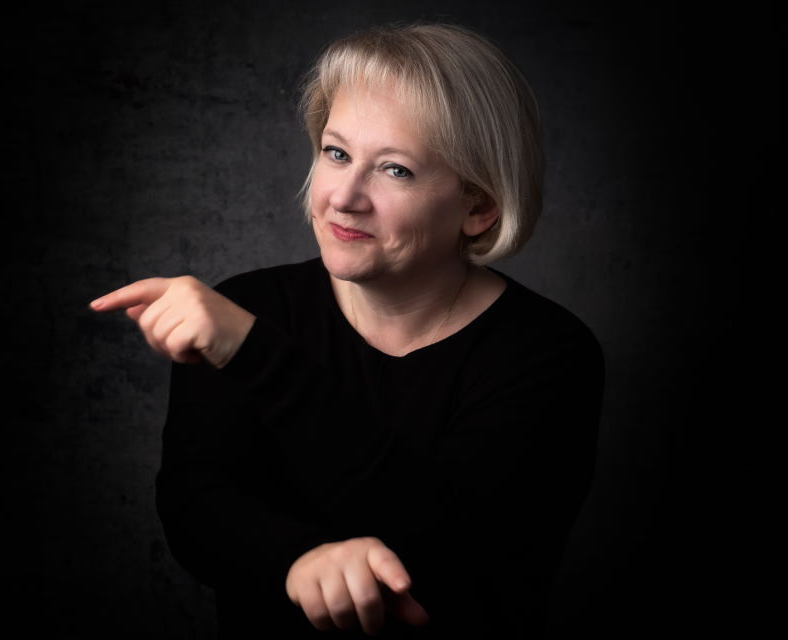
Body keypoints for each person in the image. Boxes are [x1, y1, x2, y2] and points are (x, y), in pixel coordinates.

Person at [90, 23, 604, 638]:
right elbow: (195, 503)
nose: (344, 197)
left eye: (395, 169)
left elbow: (453, 557)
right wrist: (296, 560)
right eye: (336, 154)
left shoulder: (548, 355)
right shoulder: (247, 306)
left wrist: (256, 355)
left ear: (479, 207)